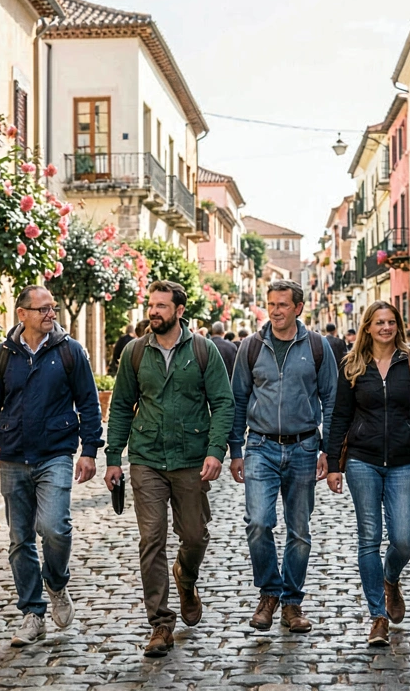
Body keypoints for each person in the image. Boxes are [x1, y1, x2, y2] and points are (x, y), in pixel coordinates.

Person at [104, 281, 234, 658]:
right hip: (146, 458)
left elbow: (223, 403)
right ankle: (160, 623)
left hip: (192, 459)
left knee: (194, 536)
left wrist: (215, 451)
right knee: (151, 539)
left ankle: (186, 577)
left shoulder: (203, 350)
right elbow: (121, 405)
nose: (154, 311)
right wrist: (114, 457)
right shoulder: (134, 352)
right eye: (151, 305)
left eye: (162, 306)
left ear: (179, 310)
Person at [0, 286, 102, 646]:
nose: (50, 314)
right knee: (20, 539)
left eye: (53, 308)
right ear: (22, 314)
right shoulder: (2, 357)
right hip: (13, 458)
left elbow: (89, 403)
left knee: (55, 527)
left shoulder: (70, 352)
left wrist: (89, 450)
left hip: (56, 453)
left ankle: (56, 584)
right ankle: (32, 613)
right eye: (42, 309)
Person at [325, 301, 410, 647]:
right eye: (379, 323)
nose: (386, 328)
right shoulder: (351, 365)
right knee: (368, 537)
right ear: (368, 328)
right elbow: (339, 417)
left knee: (404, 538)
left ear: (398, 325)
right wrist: (334, 464)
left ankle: (391, 578)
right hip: (362, 460)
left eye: (391, 322)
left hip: (405, 461)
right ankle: (377, 616)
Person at [228, 280, 337, 634]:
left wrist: (328, 451)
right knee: (258, 523)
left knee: (299, 530)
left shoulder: (317, 347)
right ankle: (269, 592)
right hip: (260, 446)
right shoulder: (251, 346)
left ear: (298, 307)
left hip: (305, 447)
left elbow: (332, 401)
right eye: (271, 304)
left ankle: (292, 602)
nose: (275, 311)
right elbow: (237, 400)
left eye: (283, 305)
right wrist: (235, 450)